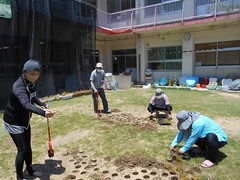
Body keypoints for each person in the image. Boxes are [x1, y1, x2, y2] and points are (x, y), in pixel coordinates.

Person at [2, 60, 55, 180]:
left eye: (37, 74)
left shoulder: (30, 83)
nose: (35, 76)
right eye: (32, 74)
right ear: (24, 73)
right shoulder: (18, 86)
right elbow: (26, 103)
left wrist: (42, 104)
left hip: (24, 120)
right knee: (22, 150)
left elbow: (32, 96)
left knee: (28, 146)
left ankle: (30, 170)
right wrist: (43, 113)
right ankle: (19, 177)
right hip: (13, 121)